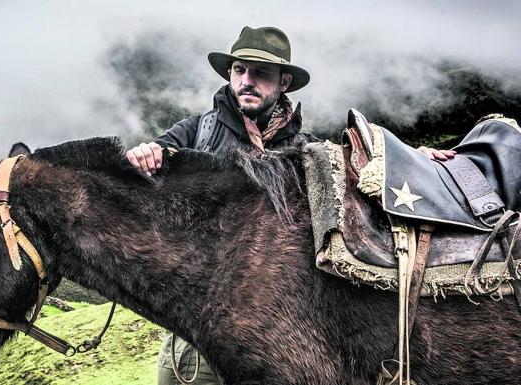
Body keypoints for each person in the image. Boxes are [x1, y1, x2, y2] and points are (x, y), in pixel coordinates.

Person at [125, 25, 453, 385]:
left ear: (283, 83)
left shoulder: (304, 148)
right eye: (239, 70)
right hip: (196, 320)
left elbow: (356, 173)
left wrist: (410, 161)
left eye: (261, 73)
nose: (247, 80)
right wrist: (146, 154)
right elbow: (145, 175)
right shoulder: (195, 131)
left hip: (279, 327)